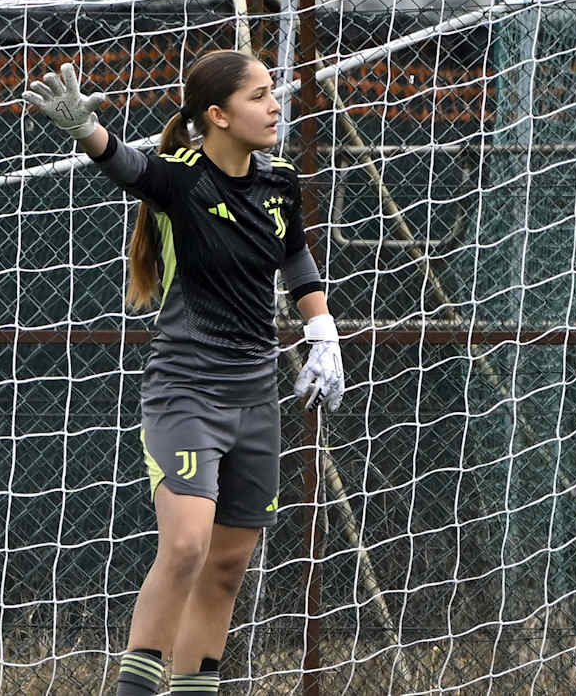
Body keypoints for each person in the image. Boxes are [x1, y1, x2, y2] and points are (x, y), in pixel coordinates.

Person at [24, 51, 345, 695]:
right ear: (218, 116)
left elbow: (296, 255)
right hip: (187, 391)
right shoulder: (181, 180)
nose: (275, 105)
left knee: (228, 565)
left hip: (255, 396)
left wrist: (322, 328)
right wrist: (84, 129)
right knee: (188, 546)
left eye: (273, 93)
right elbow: (124, 161)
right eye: (259, 96)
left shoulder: (279, 179)